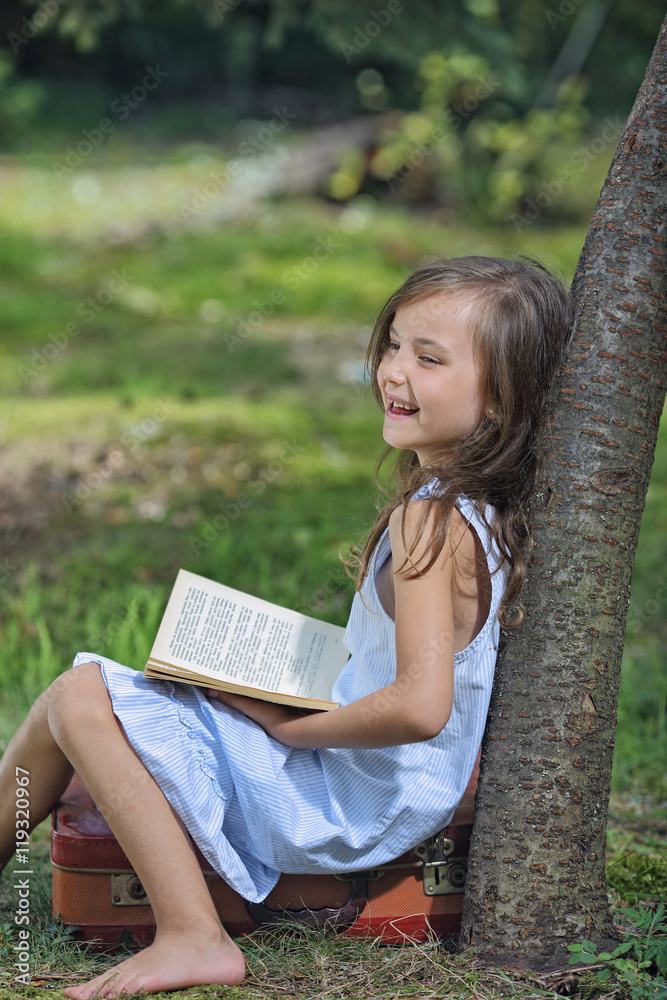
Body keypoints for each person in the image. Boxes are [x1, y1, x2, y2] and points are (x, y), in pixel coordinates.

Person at [0, 255, 572, 998]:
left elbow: (421, 706)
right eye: (394, 344)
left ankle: (194, 936)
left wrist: (291, 728)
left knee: (82, 696)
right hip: (373, 777)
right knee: (68, 703)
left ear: (499, 402)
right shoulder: (465, 509)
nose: (393, 372)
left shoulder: (431, 520)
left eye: (428, 359)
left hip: (357, 794)